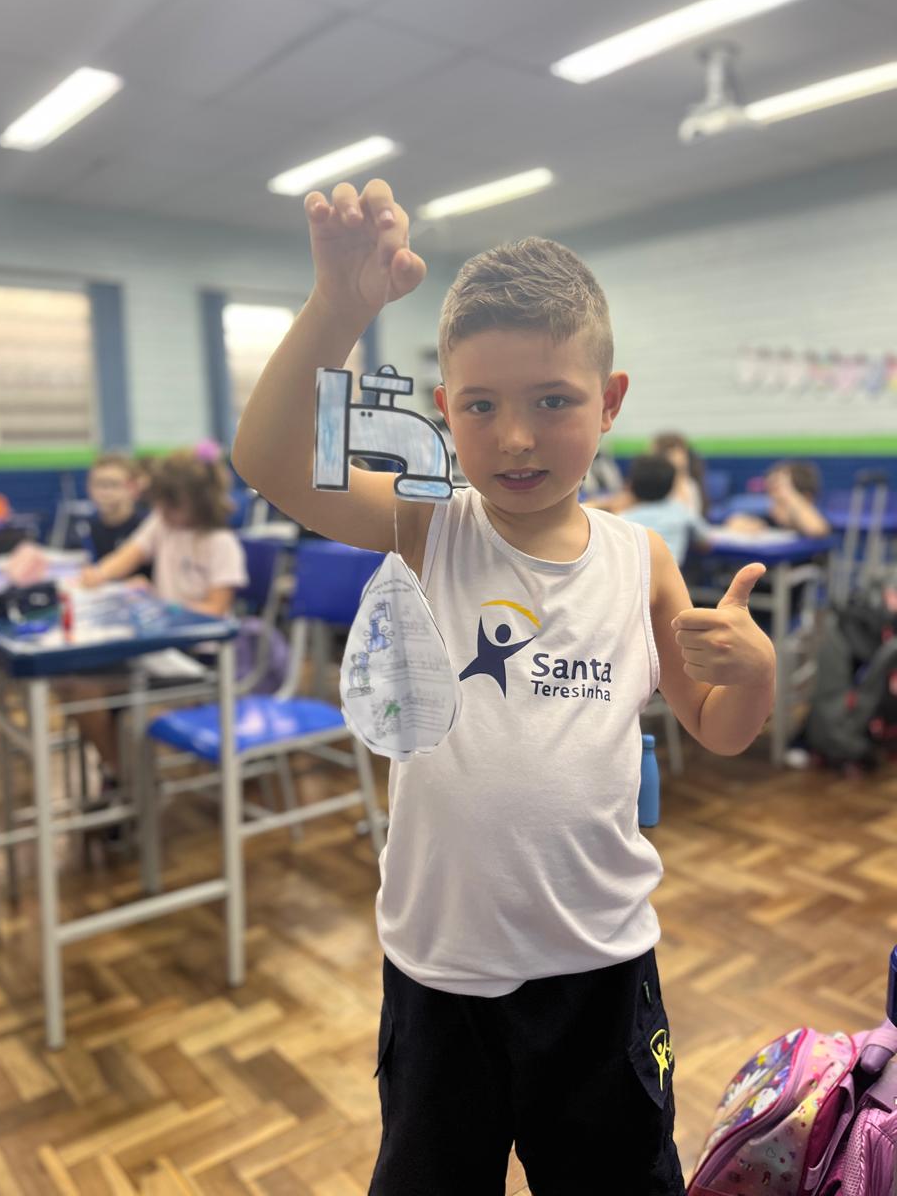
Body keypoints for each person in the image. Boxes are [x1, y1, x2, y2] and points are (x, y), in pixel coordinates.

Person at [231, 179, 776, 1196]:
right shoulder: (428, 524)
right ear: (445, 413)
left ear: (610, 402)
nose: (516, 436)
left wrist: (756, 675)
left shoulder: (642, 560)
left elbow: (720, 728)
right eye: (481, 406)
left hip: (600, 966)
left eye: (553, 401)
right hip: (441, 969)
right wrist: (338, 309)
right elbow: (268, 459)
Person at [63, 444, 246, 791]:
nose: (161, 511)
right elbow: (130, 554)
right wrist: (97, 575)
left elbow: (215, 612)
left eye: (170, 504)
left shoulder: (221, 543)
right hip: (160, 648)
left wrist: (161, 604)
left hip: (197, 659)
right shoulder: (163, 523)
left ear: (198, 501)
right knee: (71, 683)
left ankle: (126, 778)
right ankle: (123, 773)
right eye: (160, 503)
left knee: (83, 689)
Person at [619, 453, 711, 565]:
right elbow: (706, 541)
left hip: (633, 573)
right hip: (671, 573)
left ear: (631, 485)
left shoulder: (622, 519)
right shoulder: (680, 511)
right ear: (672, 485)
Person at [81, 452, 151, 576]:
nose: (105, 492)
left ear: (132, 488)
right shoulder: (87, 526)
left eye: (114, 484)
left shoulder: (148, 525)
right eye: (98, 484)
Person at [724, 459, 830, 537]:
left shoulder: (816, 519)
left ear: (807, 498)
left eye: (781, 503)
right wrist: (750, 525)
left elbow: (817, 529)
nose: (774, 507)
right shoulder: (771, 521)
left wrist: (789, 493)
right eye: (772, 499)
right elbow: (733, 521)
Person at [651, 431, 707, 516]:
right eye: (671, 454)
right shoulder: (652, 487)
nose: (680, 458)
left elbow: (695, 515)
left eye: (683, 453)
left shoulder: (690, 485)